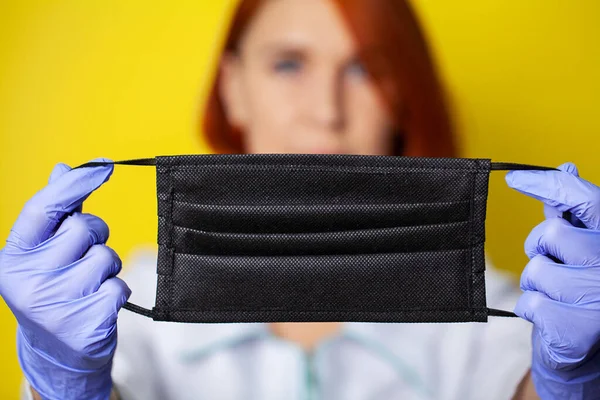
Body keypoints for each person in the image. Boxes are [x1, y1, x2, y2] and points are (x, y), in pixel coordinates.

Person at [1, 0, 600, 399]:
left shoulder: (500, 315)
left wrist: (574, 379)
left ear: (404, 97)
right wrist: (66, 377)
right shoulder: (128, 306)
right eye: (289, 64)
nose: (326, 113)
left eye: (365, 69)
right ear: (234, 88)